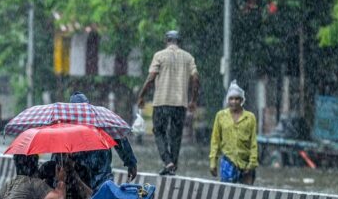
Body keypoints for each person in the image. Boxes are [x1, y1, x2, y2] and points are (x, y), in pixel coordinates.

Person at [137, 30, 200, 175]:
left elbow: (151, 78)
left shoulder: (159, 55)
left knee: (159, 131)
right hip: (180, 103)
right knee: (176, 134)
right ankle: (173, 165)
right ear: (179, 42)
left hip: (161, 102)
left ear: (166, 41)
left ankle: (167, 161)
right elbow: (196, 78)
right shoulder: (188, 57)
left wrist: (141, 96)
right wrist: (193, 100)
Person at [55, 91, 138, 190]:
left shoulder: (67, 128)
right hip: (93, 182)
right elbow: (120, 139)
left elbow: (120, 140)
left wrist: (131, 163)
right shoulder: (102, 121)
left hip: (88, 182)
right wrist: (131, 163)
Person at [209, 81, 258, 185]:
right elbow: (215, 141)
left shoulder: (250, 118)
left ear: (241, 100)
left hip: (246, 164)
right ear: (228, 100)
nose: (234, 102)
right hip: (228, 163)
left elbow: (253, 143)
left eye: (237, 99)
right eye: (231, 99)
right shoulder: (220, 116)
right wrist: (213, 161)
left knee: (247, 195)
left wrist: (252, 164)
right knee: (227, 195)